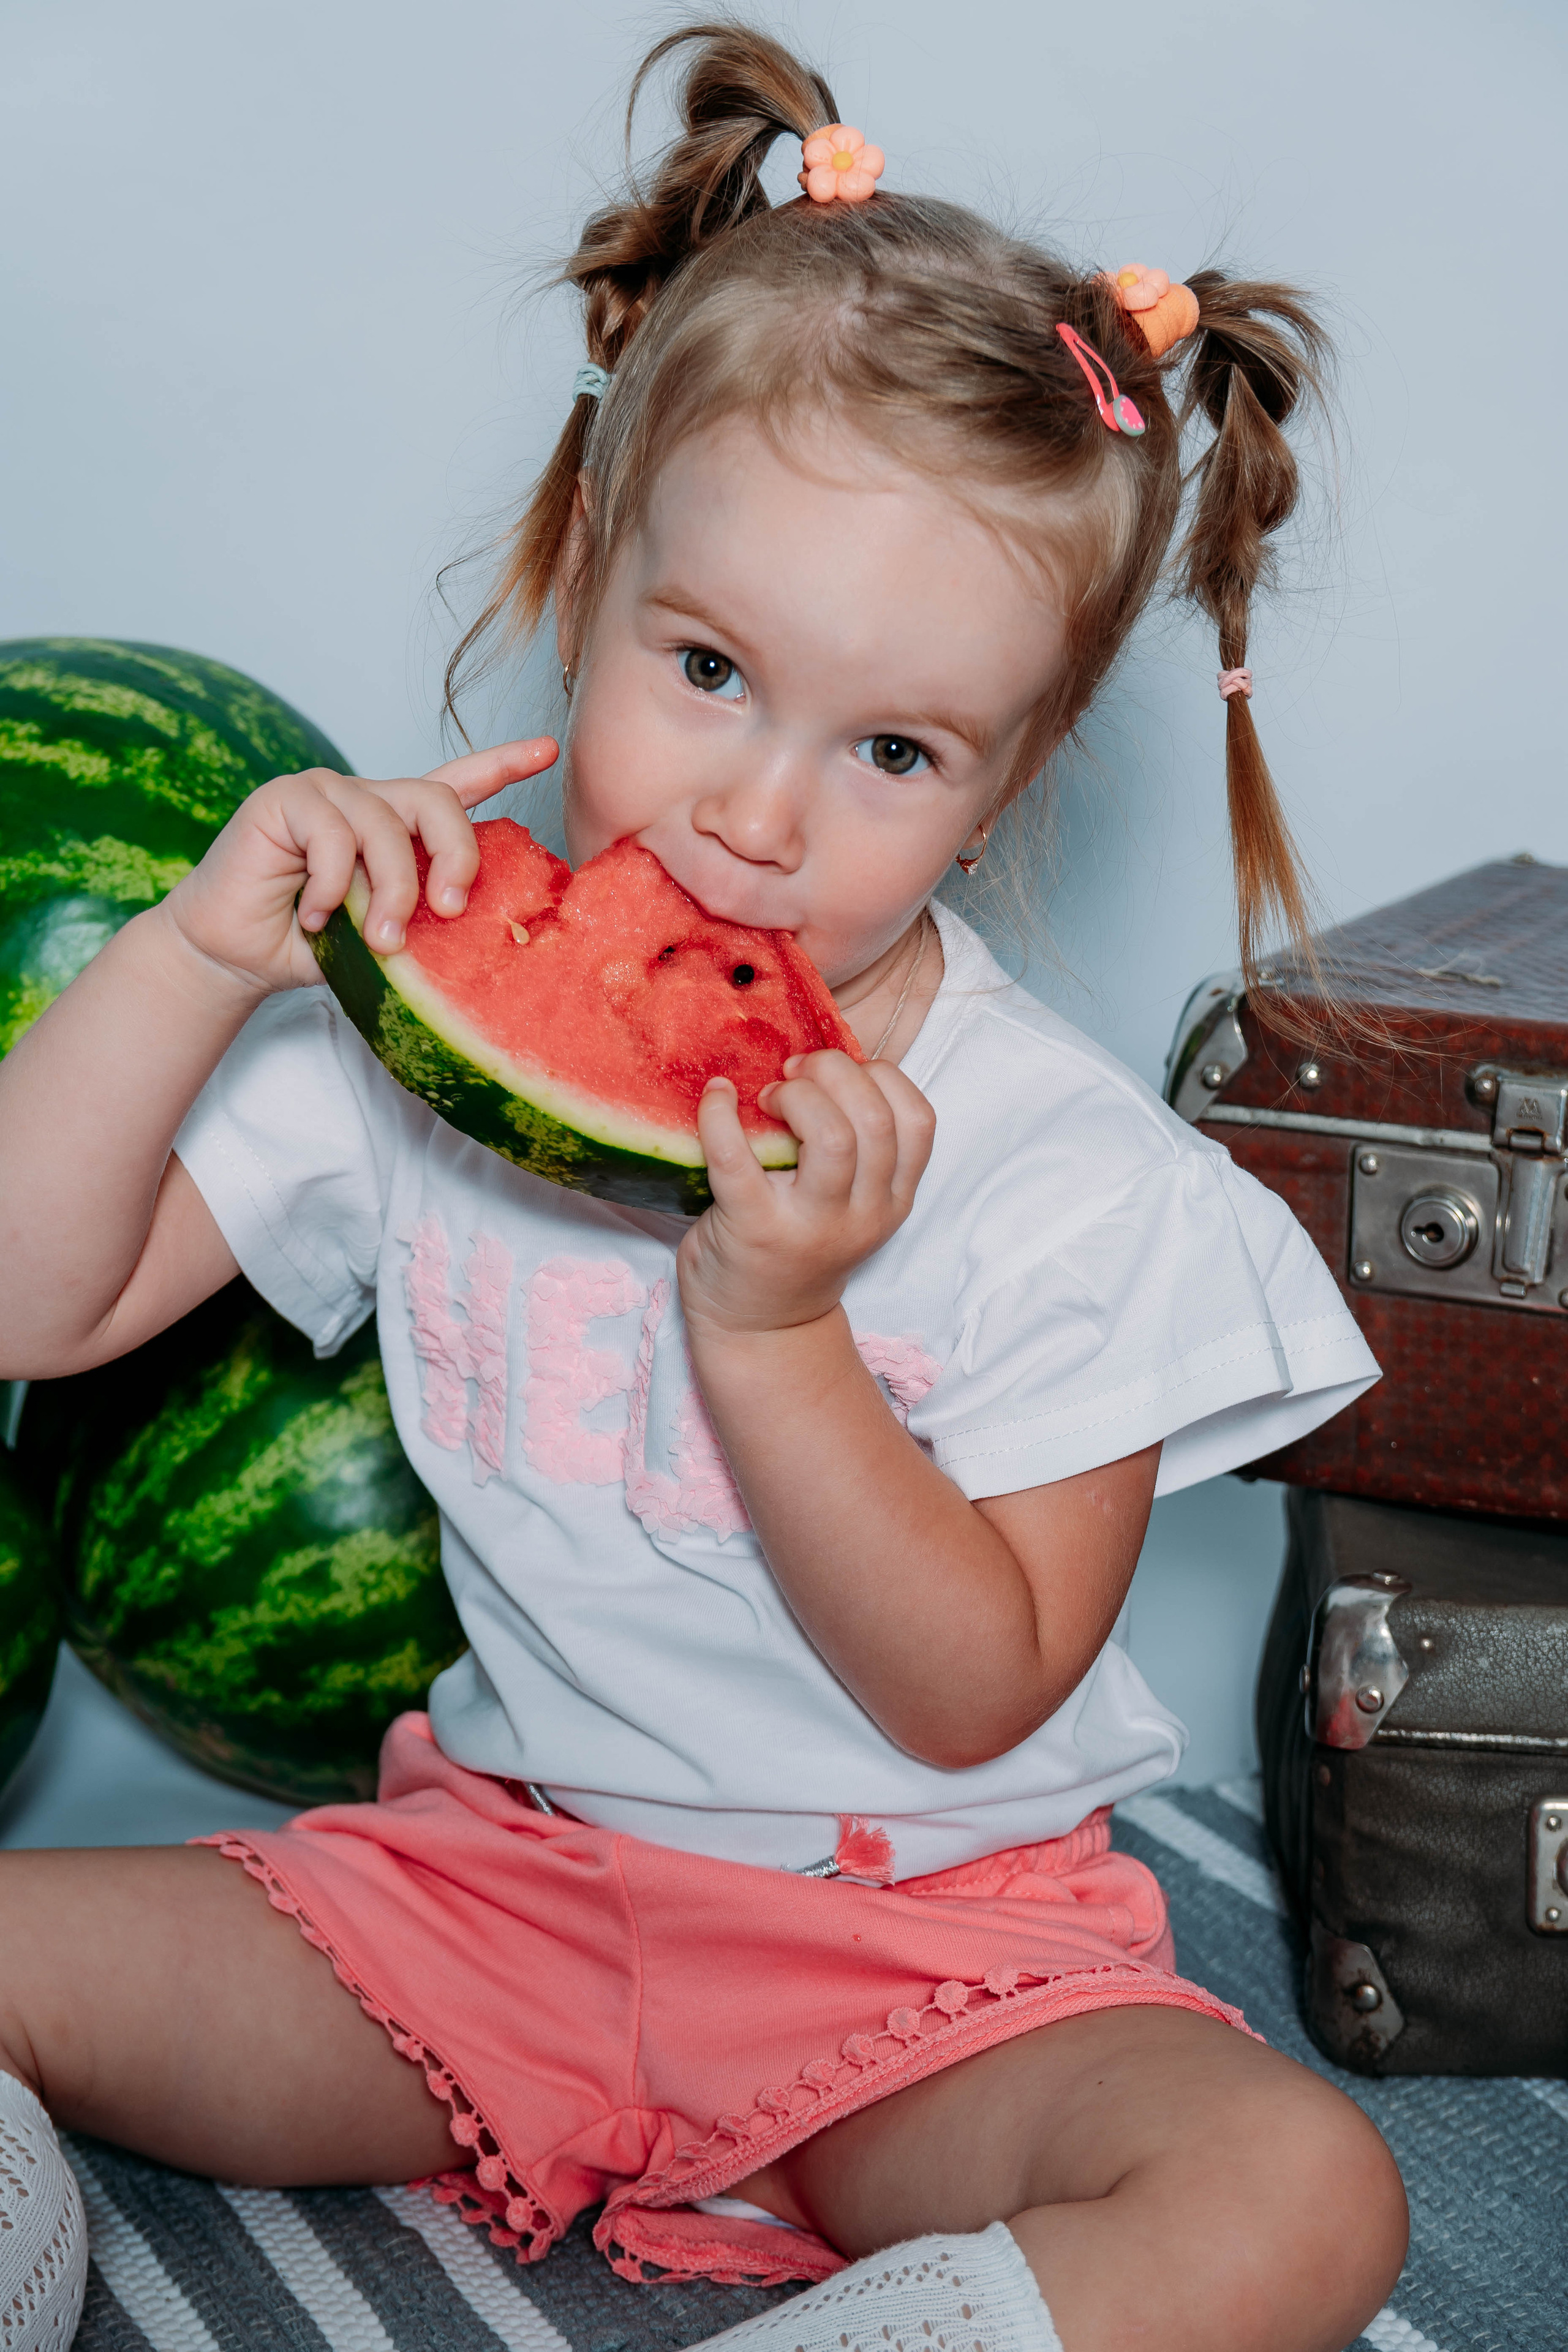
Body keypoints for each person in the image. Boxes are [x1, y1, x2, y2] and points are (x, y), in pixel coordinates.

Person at [0, 24, 1407, 2352]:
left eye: (890, 749)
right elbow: (37, 1307)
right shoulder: (420, 1032)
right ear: (585, 571)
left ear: (1009, 779)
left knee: (1294, 2191)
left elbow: (974, 1691)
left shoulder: (1087, 1195)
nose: (758, 815)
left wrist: (774, 1333)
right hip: (491, 1903)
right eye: (708, 667)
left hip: (936, 1962)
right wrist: (184, 961)